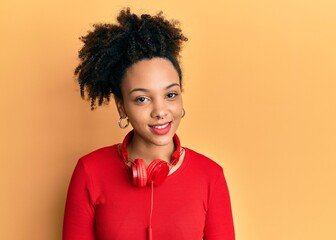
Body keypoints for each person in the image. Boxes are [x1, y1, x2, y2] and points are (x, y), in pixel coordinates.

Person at [63, 8, 235, 240]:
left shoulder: (210, 176)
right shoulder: (89, 172)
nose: (160, 111)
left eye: (171, 95)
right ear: (122, 106)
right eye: (142, 99)